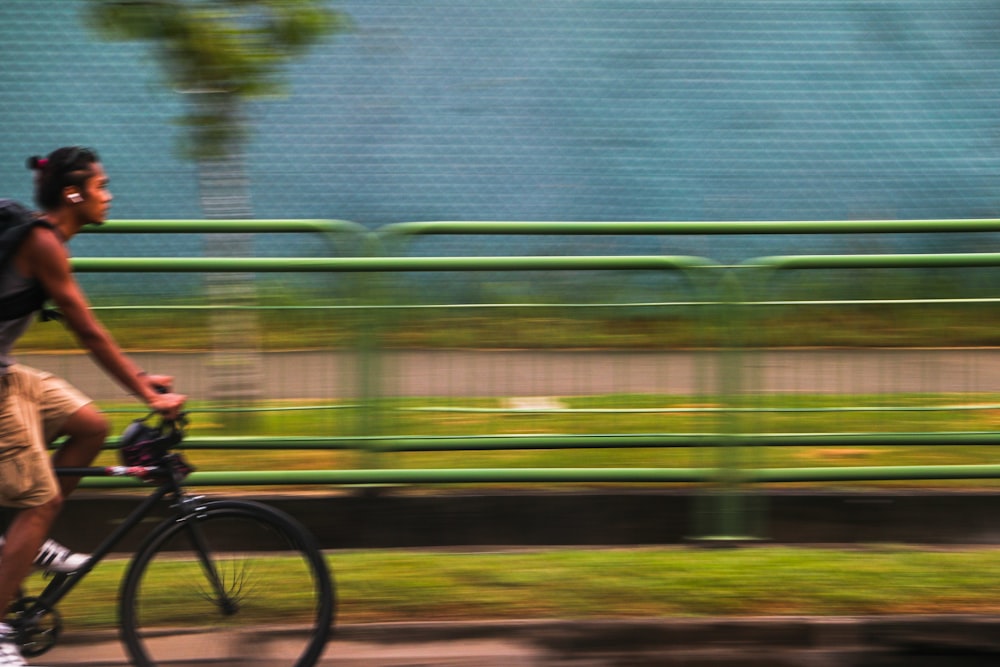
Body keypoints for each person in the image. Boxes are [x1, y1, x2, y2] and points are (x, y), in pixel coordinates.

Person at [0, 147, 186, 666]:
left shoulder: (45, 238)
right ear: (72, 194)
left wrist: (142, 378)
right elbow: (89, 331)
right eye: (102, 185)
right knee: (41, 502)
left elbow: (89, 331)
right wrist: (148, 394)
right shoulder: (43, 243)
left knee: (90, 425)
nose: (110, 195)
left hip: (5, 368)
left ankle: (27, 543)